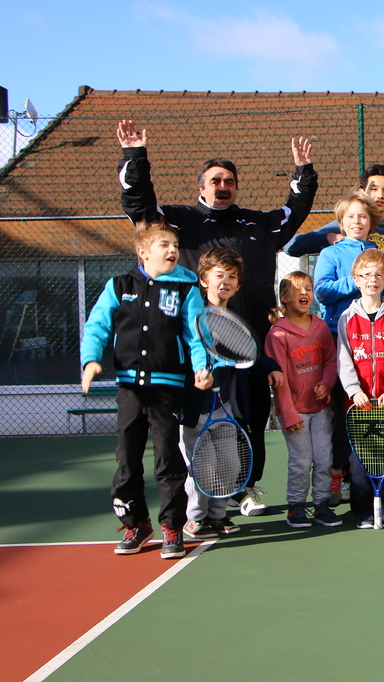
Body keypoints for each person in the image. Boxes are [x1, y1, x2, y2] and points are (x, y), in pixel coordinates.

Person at [117, 119, 319, 516]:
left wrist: (303, 171)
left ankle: (246, 488)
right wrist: (134, 156)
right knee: (196, 426)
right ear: (202, 187)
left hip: (252, 343)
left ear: (236, 187)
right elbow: (138, 203)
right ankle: (200, 503)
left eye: (229, 181)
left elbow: (294, 211)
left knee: (251, 416)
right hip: (197, 348)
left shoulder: (258, 224)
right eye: (215, 181)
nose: (222, 186)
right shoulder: (179, 221)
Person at [80, 220, 209, 559]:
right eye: (164, 244)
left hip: (167, 389)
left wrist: (202, 367)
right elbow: (97, 325)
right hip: (129, 389)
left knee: (167, 458)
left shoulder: (186, 288)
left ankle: (172, 527)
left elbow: (197, 335)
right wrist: (90, 360)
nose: (172, 250)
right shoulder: (119, 285)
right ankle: (137, 524)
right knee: (127, 459)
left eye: (175, 245)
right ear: (142, 252)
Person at [180, 248, 280, 540]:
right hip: (194, 409)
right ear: (203, 280)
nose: (225, 282)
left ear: (238, 285)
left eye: (232, 277)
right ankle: (195, 519)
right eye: (219, 275)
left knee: (229, 464)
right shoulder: (190, 316)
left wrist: (271, 367)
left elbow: (250, 354)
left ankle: (218, 515)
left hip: (224, 408)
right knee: (202, 466)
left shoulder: (234, 318)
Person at [313, 190, 384, 505]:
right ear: (341, 221)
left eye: (362, 216)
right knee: (344, 413)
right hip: (342, 339)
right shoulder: (330, 253)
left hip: (377, 342)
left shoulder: (378, 250)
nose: (356, 222)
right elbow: (322, 291)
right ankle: (338, 474)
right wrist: (360, 279)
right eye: (350, 216)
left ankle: (373, 473)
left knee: (374, 411)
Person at [336, 249, 384, 528]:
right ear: (356, 279)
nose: (372, 279)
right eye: (366, 274)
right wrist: (353, 389)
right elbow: (343, 358)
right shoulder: (347, 318)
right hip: (359, 405)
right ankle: (363, 511)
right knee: (360, 461)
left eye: (379, 274)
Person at [265, 271, 342, 528]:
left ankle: (321, 504)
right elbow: (279, 380)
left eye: (308, 288)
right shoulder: (278, 335)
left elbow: (330, 361)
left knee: (324, 458)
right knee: (301, 460)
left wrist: (326, 385)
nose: (304, 293)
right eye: (297, 289)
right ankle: (296, 505)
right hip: (295, 411)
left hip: (321, 409)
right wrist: (288, 413)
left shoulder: (320, 326)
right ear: (284, 297)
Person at [285, 163, 384, 304]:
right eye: (373, 189)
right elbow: (290, 246)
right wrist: (327, 237)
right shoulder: (346, 226)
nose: (380, 195)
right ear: (361, 192)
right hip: (343, 314)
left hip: (383, 312)